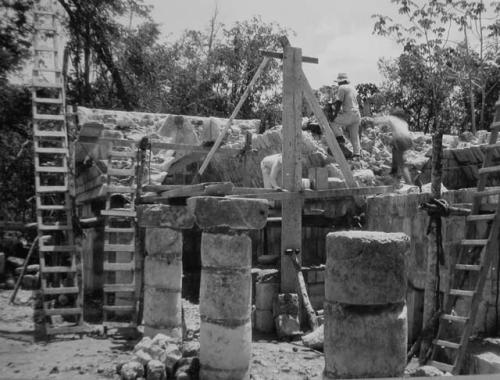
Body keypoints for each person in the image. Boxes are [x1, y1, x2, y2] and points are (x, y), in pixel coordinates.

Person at [329, 72, 362, 159]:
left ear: (340, 81)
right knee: (354, 135)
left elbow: (339, 102)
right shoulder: (353, 88)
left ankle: (340, 137)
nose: (338, 83)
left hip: (349, 114)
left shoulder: (341, 88)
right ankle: (357, 154)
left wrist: (334, 115)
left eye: (338, 82)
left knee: (332, 122)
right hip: (357, 114)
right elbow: (358, 101)